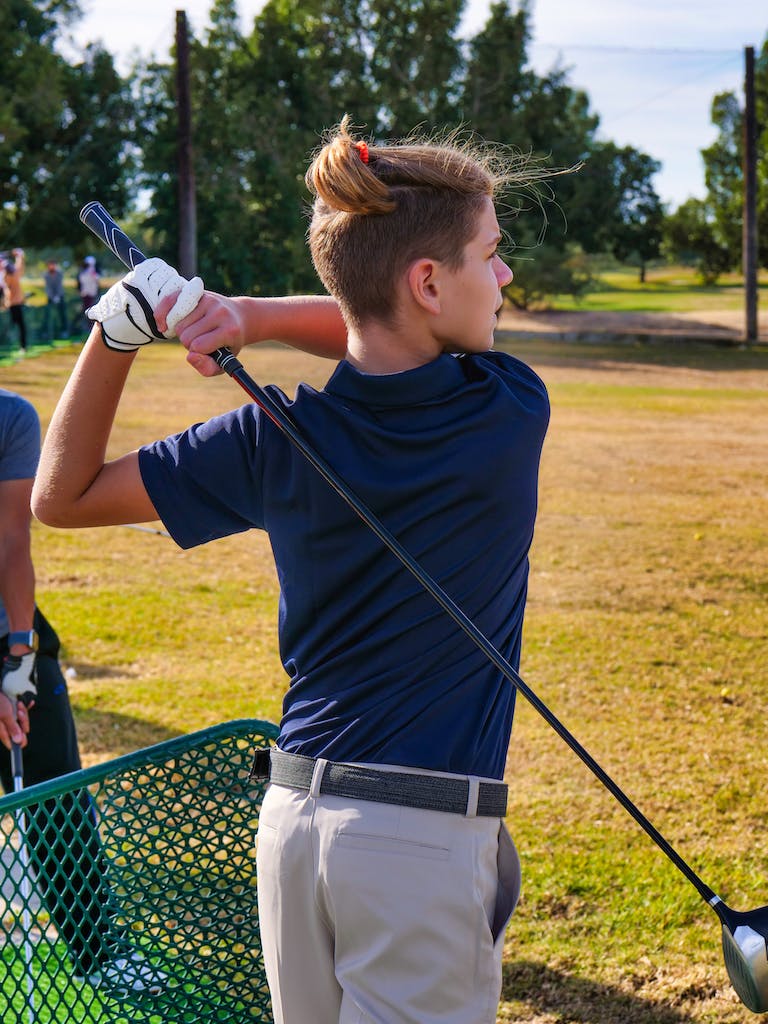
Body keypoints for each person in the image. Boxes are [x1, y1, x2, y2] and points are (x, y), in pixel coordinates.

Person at [33, 119, 554, 1024]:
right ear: (428, 281)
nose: (503, 277)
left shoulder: (271, 438)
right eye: (490, 255)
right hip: (420, 841)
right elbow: (369, 327)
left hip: (291, 827)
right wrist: (256, 318)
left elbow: (61, 497)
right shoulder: (506, 408)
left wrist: (119, 334)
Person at [0, 388, 166, 994]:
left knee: (57, 797)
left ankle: (100, 953)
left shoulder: (10, 415)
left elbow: (11, 538)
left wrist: (20, 656)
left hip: (9, 637)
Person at [4, 248, 28, 352]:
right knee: (18, 326)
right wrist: (19, 255)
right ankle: (21, 346)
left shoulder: (8, 276)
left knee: (16, 325)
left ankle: (20, 346)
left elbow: (19, 265)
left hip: (13, 304)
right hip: (14, 304)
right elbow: (19, 264)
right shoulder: (13, 274)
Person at [44, 259, 69, 339]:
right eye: (50, 265)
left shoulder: (59, 273)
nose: (52, 266)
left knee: (62, 314)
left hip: (60, 296)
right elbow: (48, 288)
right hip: (51, 297)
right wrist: (52, 297)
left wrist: (57, 296)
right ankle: (46, 332)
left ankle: (64, 331)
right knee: (47, 314)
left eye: (53, 264)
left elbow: (59, 286)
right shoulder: (46, 275)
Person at [75, 256, 100, 328]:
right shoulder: (83, 272)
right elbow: (81, 281)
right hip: (86, 294)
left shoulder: (93, 271)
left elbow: (96, 279)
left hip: (93, 294)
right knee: (86, 311)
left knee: (90, 310)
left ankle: (90, 326)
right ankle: (86, 326)